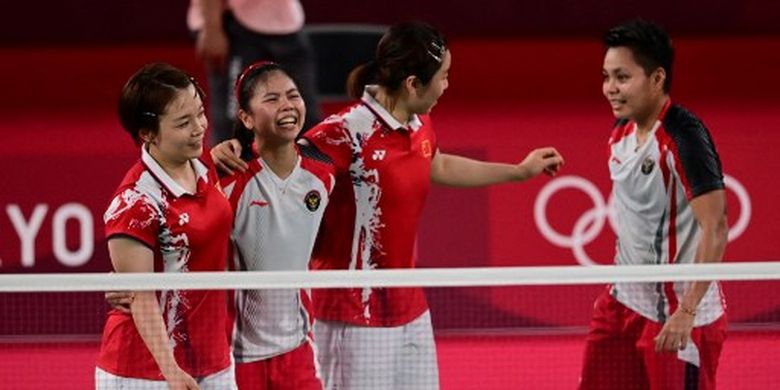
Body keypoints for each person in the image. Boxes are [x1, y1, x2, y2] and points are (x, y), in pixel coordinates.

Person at [212, 21, 564, 390]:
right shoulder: (346, 132)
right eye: (443, 77)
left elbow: (437, 163)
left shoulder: (418, 124)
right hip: (353, 313)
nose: (446, 85)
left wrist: (519, 172)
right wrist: (232, 148)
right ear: (413, 84)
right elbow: (281, 157)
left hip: (410, 306)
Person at [578, 20, 728, 389]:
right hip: (623, 303)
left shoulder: (684, 135)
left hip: (680, 313)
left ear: (657, 78)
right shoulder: (620, 130)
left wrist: (687, 311)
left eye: (622, 77)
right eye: (606, 76)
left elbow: (717, 227)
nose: (610, 88)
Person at [96, 63, 237, 389]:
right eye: (183, 123)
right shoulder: (135, 204)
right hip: (145, 371)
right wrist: (170, 371)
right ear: (147, 134)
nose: (199, 127)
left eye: (200, 113)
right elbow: (140, 297)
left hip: (213, 359)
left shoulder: (204, 169)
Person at [222, 61, 333, 389]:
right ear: (246, 118)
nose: (286, 106)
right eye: (271, 99)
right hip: (237, 355)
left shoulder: (323, 176)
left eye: (293, 96)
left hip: (297, 348)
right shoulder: (231, 183)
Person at [187, 0, 321, 146]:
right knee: (232, 124)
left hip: (285, 22)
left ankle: (312, 167)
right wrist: (212, 27)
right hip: (235, 26)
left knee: (306, 116)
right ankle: (225, 168)